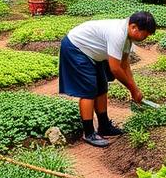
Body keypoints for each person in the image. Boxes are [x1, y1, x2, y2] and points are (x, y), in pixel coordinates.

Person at [58, 12, 157, 147]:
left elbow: (124, 64)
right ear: (134, 27)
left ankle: (104, 126)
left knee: (101, 86)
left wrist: (135, 89)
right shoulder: (118, 33)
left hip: (93, 53)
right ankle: (88, 133)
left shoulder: (128, 36)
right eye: (145, 34)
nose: (145, 38)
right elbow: (115, 69)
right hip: (76, 48)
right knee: (89, 91)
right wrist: (133, 90)